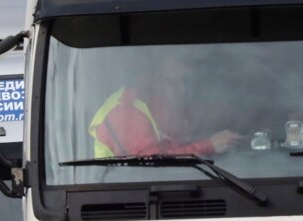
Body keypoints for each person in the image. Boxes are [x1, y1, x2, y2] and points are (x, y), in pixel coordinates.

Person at [90, 56, 242, 159]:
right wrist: (209, 146)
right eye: (175, 83)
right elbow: (149, 163)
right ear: (154, 77)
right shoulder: (126, 110)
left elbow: (171, 146)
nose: (182, 90)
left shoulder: (159, 107)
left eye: (185, 84)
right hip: (123, 198)